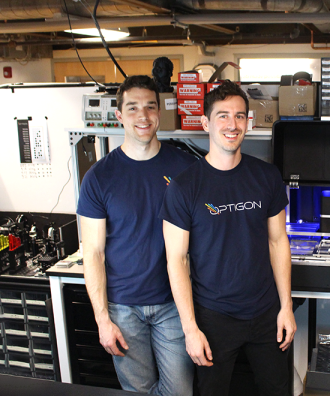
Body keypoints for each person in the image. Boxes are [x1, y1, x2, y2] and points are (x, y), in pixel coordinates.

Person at [160, 80, 296, 396]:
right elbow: (176, 261)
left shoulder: (266, 176)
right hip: (213, 317)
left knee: (277, 390)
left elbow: (278, 241)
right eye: (222, 116)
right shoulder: (184, 187)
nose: (231, 125)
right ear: (206, 122)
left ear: (247, 122)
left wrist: (286, 306)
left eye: (238, 116)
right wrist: (190, 329)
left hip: (266, 314)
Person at [77, 75, 196, 395]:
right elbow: (93, 253)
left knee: (180, 391)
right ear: (119, 115)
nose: (142, 116)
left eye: (149, 107)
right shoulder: (99, 177)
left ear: (159, 112)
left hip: (173, 304)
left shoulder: (185, 168)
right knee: (138, 391)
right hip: (122, 307)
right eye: (132, 108)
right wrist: (103, 320)